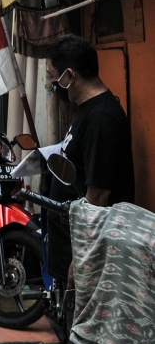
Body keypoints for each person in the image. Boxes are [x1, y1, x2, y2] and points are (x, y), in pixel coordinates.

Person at [45, 34, 135, 287]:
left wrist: (82, 257)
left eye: (54, 76)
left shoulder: (102, 119)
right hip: (72, 245)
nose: (53, 83)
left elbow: (98, 196)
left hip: (86, 257)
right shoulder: (86, 109)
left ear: (70, 75)